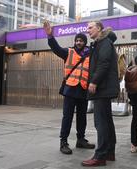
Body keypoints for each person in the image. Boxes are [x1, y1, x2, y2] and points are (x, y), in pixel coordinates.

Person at [43, 21, 95, 155]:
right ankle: (63, 142)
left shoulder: (91, 54)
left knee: (82, 117)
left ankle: (81, 140)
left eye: (81, 40)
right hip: (70, 90)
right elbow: (56, 49)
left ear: (85, 42)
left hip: (83, 89)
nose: (78, 42)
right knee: (67, 117)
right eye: (77, 40)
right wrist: (50, 36)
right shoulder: (68, 52)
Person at [81, 21, 120, 167]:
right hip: (105, 88)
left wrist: (94, 82)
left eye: (90, 28)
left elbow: (103, 63)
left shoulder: (104, 42)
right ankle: (109, 152)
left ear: (99, 29)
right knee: (107, 122)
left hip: (102, 88)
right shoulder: (101, 43)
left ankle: (100, 155)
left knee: (101, 123)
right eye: (87, 28)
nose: (88, 30)